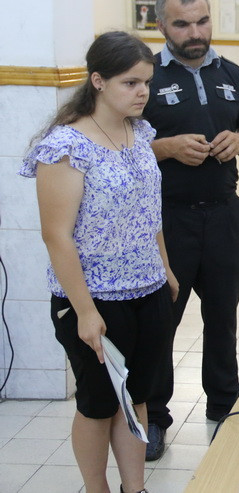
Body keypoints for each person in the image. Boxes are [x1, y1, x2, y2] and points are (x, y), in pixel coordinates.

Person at [19, 31, 177, 493]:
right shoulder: (66, 147)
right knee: (98, 404)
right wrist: (85, 312)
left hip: (147, 289)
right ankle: (97, 488)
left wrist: (164, 268)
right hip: (95, 299)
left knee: (137, 397)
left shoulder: (139, 132)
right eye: (131, 83)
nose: (143, 92)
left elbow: (150, 211)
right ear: (98, 81)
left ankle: (135, 487)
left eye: (146, 82)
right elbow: (57, 236)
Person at [142, 0, 239, 461]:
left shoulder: (230, 73)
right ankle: (154, 416)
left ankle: (223, 404)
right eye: (182, 24)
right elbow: (118, 146)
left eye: (203, 21)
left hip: (222, 216)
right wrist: (166, 148)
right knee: (162, 322)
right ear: (161, 25)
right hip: (166, 221)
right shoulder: (145, 77)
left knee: (223, 317)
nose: (195, 33)